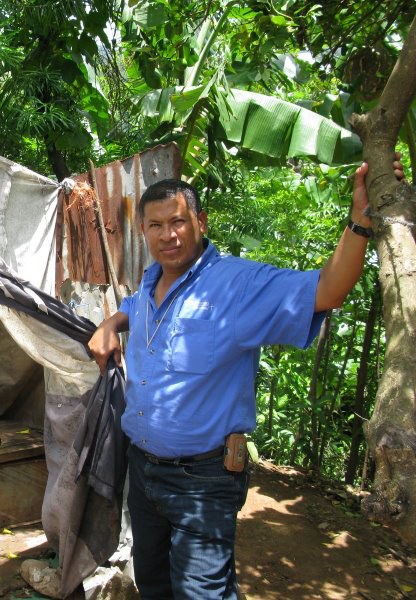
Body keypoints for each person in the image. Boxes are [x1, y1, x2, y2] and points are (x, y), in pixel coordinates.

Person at [87, 158, 404, 599]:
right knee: (154, 584)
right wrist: (111, 324)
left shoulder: (237, 285)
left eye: (178, 221)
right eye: (156, 225)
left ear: (200, 221)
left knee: (202, 593)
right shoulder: (150, 281)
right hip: (142, 473)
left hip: (203, 479)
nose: (168, 234)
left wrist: (358, 223)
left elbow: (328, 290)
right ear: (143, 231)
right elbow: (135, 305)